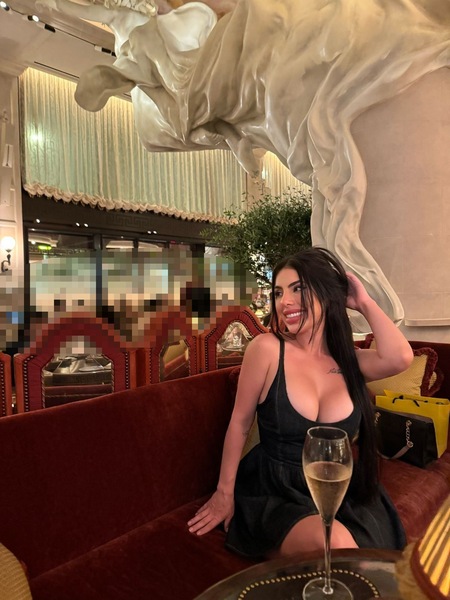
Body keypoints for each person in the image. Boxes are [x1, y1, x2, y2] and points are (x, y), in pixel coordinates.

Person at [187, 247, 413, 558]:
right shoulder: (267, 349)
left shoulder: (350, 360)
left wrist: (363, 302)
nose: (285, 302)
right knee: (336, 547)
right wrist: (224, 493)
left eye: (298, 289)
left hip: (338, 486)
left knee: (370, 565)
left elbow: (400, 357)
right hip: (279, 489)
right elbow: (240, 423)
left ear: (327, 295)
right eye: (278, 292)